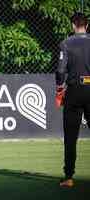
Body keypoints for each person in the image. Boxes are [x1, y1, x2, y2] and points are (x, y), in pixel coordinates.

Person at [56, 12, 90, 187]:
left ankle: (69, 177)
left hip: (75, 91)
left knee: (70, 137)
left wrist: (59, 88)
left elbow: (61, 70)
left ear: (72, 26)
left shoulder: (66, 43)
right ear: (87, 25)